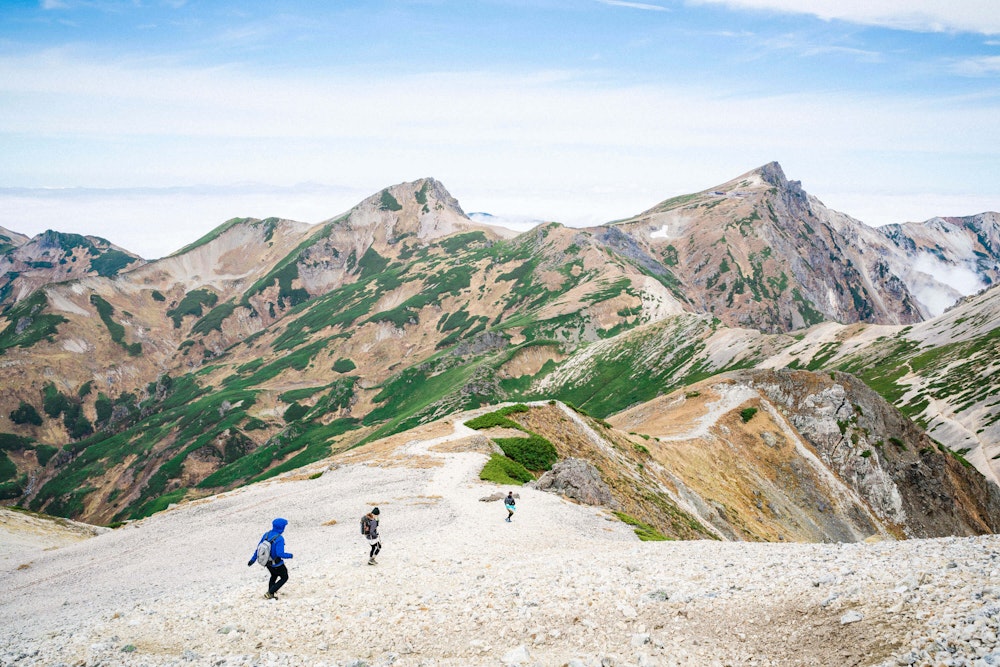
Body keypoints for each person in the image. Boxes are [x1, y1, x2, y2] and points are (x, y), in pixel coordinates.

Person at [248, 517, 294, 599]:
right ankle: (270, 592)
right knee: (284, 577)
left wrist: (252, 560)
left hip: (267, 563)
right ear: (282, 527)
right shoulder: (279, 538)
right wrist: (290, 555)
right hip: (277, 563)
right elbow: (280, 554)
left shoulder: (266, 534)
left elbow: (258, 548)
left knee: (273, 576)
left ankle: (271, 594)